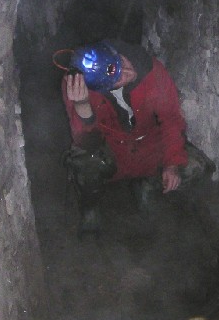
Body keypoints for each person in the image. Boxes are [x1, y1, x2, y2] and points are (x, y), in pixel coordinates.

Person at [61, 39, 211, 235]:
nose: (125, 71)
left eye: (119, 63)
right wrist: (82, 106)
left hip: (149, 146)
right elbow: (87, 141)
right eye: (114, 76)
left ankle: (148, 186)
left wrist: (172, 163)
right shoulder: (78, 85)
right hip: (113, 150)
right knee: (83, 161)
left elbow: (171, 119)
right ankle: (90, 208)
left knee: (198, 167)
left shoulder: (149, 69)